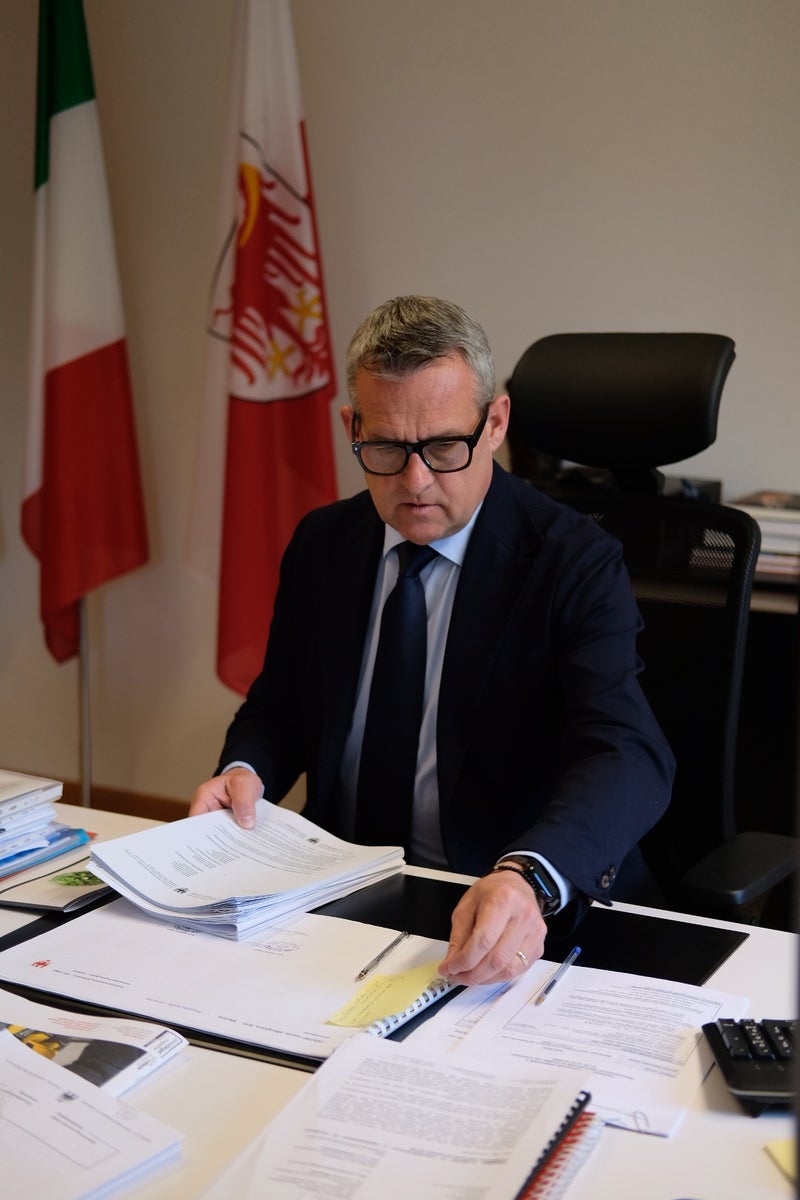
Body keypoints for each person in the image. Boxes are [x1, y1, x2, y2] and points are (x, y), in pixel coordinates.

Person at [190, 295, 675, 987]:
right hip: (339, 891)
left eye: (445, 446)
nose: (416, 482)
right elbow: (280, 707)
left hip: (501, 903)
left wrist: (528, 874)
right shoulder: (324, 543)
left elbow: (626, 752)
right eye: (387, 448)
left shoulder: (572, 560)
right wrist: (246, 771)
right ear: (352, 427)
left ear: (495, 424)